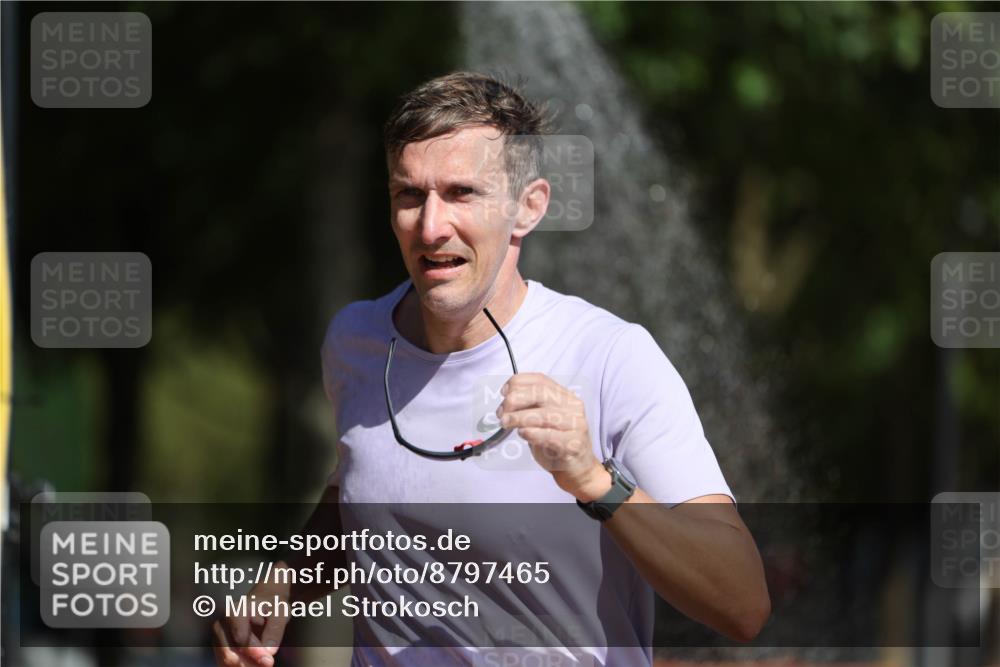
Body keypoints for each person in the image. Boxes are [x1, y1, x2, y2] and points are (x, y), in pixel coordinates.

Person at [213, 71, 770, 667]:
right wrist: (286, 578)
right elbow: (366, 487)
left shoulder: (610, 356)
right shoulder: (356, 342)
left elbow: (742, 603)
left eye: (462, 193)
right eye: (409, 195)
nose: (431, 227)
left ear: (528, 207)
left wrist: (594, 481)